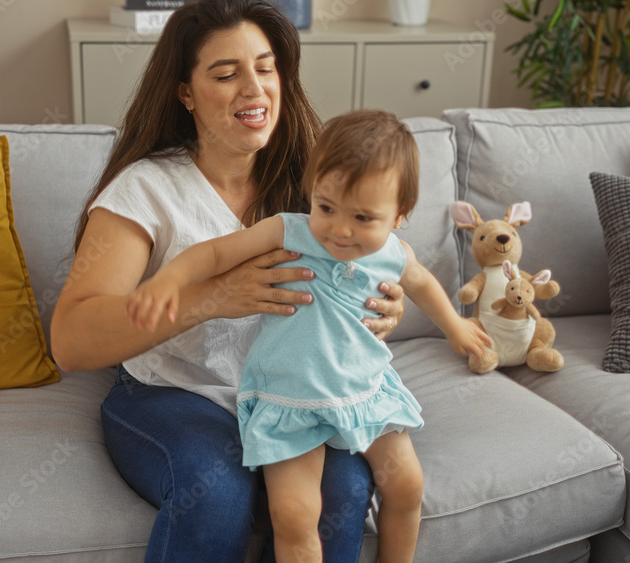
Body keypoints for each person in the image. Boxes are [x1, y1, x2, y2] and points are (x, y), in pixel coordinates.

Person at [50, 1, 408, 561]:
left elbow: (381, 256)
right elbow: (71, 340)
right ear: (185, 92)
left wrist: (386, 305)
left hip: (295, 396)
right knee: (216, 494)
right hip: (171, 391)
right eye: (226, 74)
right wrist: (211, 298)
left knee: (346, 489)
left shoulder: (316, 186)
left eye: (266, 69)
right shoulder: (144, 190)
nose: (254, 89)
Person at [126, 109, 493, 562]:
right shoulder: (290, 231)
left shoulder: (395, 253)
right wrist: (168, 280)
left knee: (407, 485)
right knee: (295, 514)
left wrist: (456, 325)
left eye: (362, 217)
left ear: (400, 215)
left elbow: (421, 284)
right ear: (312, 193)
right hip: (292, 401)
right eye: (326, 206)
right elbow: (217, 252)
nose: (339, 229)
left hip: (365, 393)